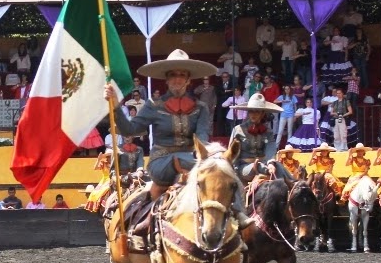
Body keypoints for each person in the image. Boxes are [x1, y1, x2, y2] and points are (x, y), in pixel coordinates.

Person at [107, 49, 213, 204]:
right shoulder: (154, 105)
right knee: (194, 162)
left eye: (182, 75)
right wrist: (116, 107)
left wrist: (203, 156)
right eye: (173, 75)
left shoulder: (201, 107)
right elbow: (129, 130)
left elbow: (202, 136)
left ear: (189, 79)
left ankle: (238, 218)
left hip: (191, 160)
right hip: (160, 162)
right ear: (166, 79)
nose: (177, 79)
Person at [228, 93, 287, 223]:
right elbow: (231, 155)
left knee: (279, 166)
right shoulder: (238, 130)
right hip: (243, 167)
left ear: (262, 114)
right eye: (251, 111)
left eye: (257, 111)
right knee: (259, 166)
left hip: (264, 165)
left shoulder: (267, 131)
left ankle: (292, 189)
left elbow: (271, 149)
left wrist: (271, 162)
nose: (253, 114)